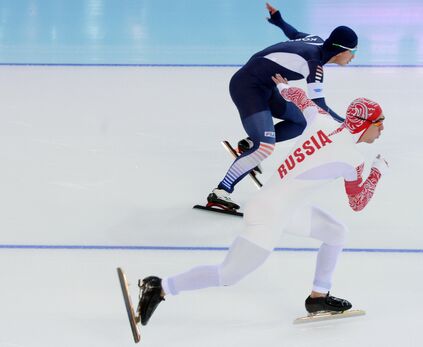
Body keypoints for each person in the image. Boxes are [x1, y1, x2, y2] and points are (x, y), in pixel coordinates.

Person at [135, 74, 388, 326]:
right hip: (270, 215)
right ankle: (159, 287)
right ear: (365, 125)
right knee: (228, 274)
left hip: (285, 207)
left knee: (335, 232)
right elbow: (358, 203)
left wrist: (283, 86)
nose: (382, 129)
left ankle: (318, 297)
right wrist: (377, 172)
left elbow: (300, 98)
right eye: (380, 122)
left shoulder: (321, 119)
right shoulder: (353, 159)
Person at [207, 3, 359, 211]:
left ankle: (249, 144)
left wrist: (279, 20)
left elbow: (294, 33)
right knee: (265, 147)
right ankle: (221, 192)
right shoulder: (313, 64)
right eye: (353, 51)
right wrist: (346, 124)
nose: (354, 57)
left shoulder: (317, 41)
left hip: (266, 86)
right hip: (248, 87)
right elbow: (318, 107)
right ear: (341, 50)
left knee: (301, 120)